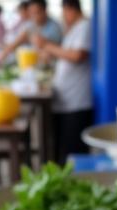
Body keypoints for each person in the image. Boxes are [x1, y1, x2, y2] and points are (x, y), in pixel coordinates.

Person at [36, 0, 91, 159]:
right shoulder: (74, 28)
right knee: (60, 149)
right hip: (65, 100)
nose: (63, 16)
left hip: (76, 101)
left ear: (70, 9)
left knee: (72, 153)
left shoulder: (84, 26)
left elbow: (77, 55)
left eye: (64, 11)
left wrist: (47, 45)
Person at [0, 0, 60, 66]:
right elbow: (15, 43)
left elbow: (52, 54)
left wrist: (43, 44)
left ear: (45, 11)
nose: (34, 16)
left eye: (37, 13)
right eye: (31, 13)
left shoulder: (54, 28)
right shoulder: (31, 25)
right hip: (34, 64)